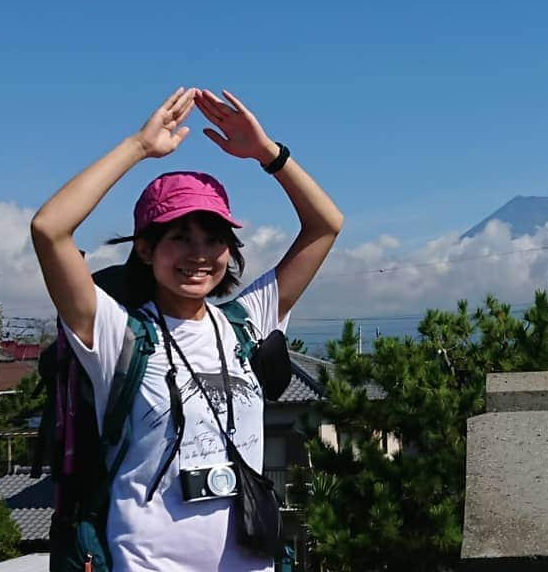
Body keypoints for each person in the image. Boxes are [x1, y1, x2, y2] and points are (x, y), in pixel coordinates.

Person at [31, 87, 343, 571]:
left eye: (214, 238)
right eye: (179, 237)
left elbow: (326, 225)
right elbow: (50, 228)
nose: (200, 253)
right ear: (145, 249)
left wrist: (268, 154)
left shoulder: (246, 322)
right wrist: (138, 147)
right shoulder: (117, 333)